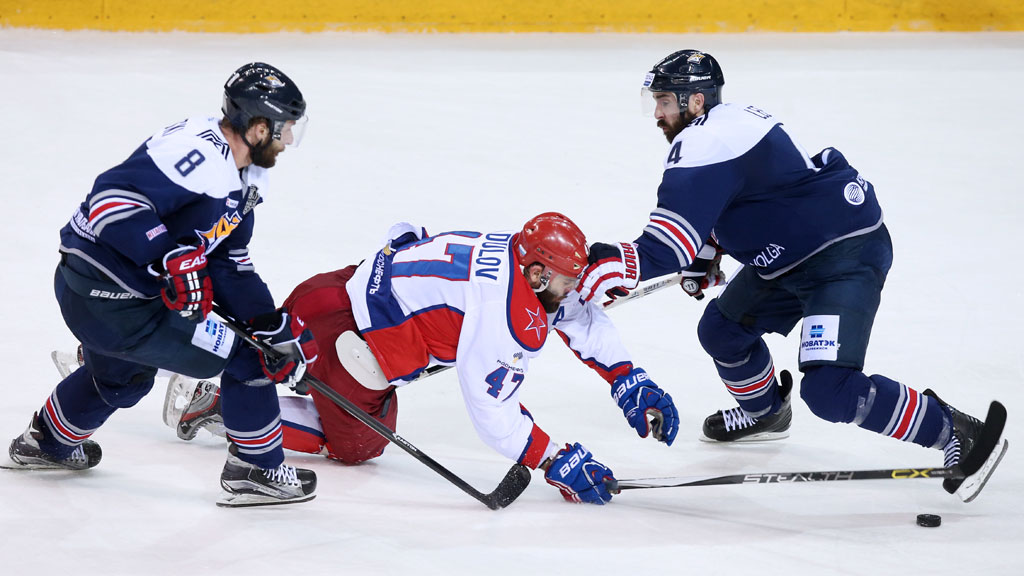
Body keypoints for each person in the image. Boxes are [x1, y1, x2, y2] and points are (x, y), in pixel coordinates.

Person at [575, 49, 1007, 501]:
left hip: (841, 255)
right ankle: (766, 414)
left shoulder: (706, 142)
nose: (657, 114)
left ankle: (956, 430)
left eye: (664, 101)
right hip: (789, 255)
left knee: (829, 390)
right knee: (722, 331)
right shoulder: (727, 125)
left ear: (695, 101)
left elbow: (668, 245)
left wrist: (614, 263)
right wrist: (706, 256)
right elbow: (737, 201)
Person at [155, 213, 680, 505]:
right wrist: (551, 458)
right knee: (360, 444)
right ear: (539, 273)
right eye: (566, 280)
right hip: (344, 342)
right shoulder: (504, 312)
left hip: (330, 293)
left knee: (362, 404)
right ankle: (219, 405)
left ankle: (237, 393)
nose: (572, 289)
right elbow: (491, 409)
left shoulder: (514, 253)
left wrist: (627, 377)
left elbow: (573, 311)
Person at [4, 62, 322, 508]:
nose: (287, 140)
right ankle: (257, 472)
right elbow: (110, 201)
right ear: (257, 127)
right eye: (283, 128)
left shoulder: (247, 175)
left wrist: (267, 324)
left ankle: (46, 443)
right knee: (250, 360)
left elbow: (228, 260)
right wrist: (166, 255)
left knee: (123, 377)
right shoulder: (199, 155)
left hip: (106, 296)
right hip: (112, 299)